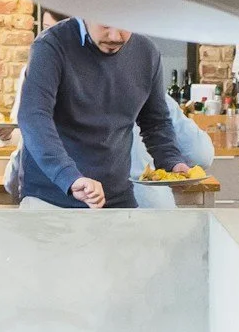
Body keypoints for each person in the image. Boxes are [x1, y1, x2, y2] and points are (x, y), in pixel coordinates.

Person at [12, 18, 197, 209]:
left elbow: (155, 122)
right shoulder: (50, 45)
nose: (116, 36)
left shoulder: (147, 53)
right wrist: (70, 177)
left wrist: (171, 161)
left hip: (117, 197)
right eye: (106, 23)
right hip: (51, 198)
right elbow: (33, 117)